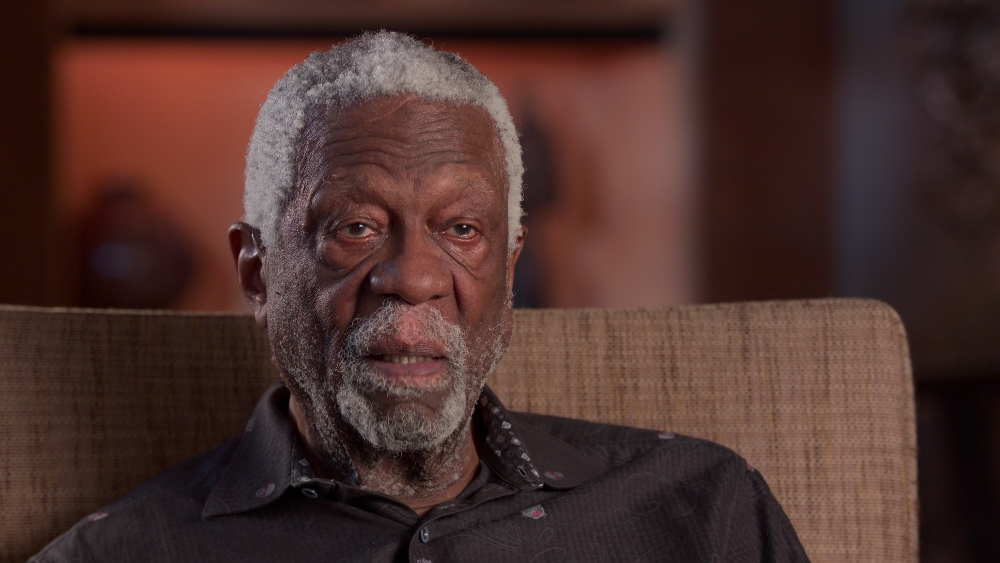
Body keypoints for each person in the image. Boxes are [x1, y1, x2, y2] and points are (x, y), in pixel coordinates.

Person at [31, 31, 809, 562]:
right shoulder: (120, 552)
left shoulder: (701, 509)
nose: (414, 275)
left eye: (461, 228)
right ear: (257, 270)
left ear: (510, 265)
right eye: (356, 227)